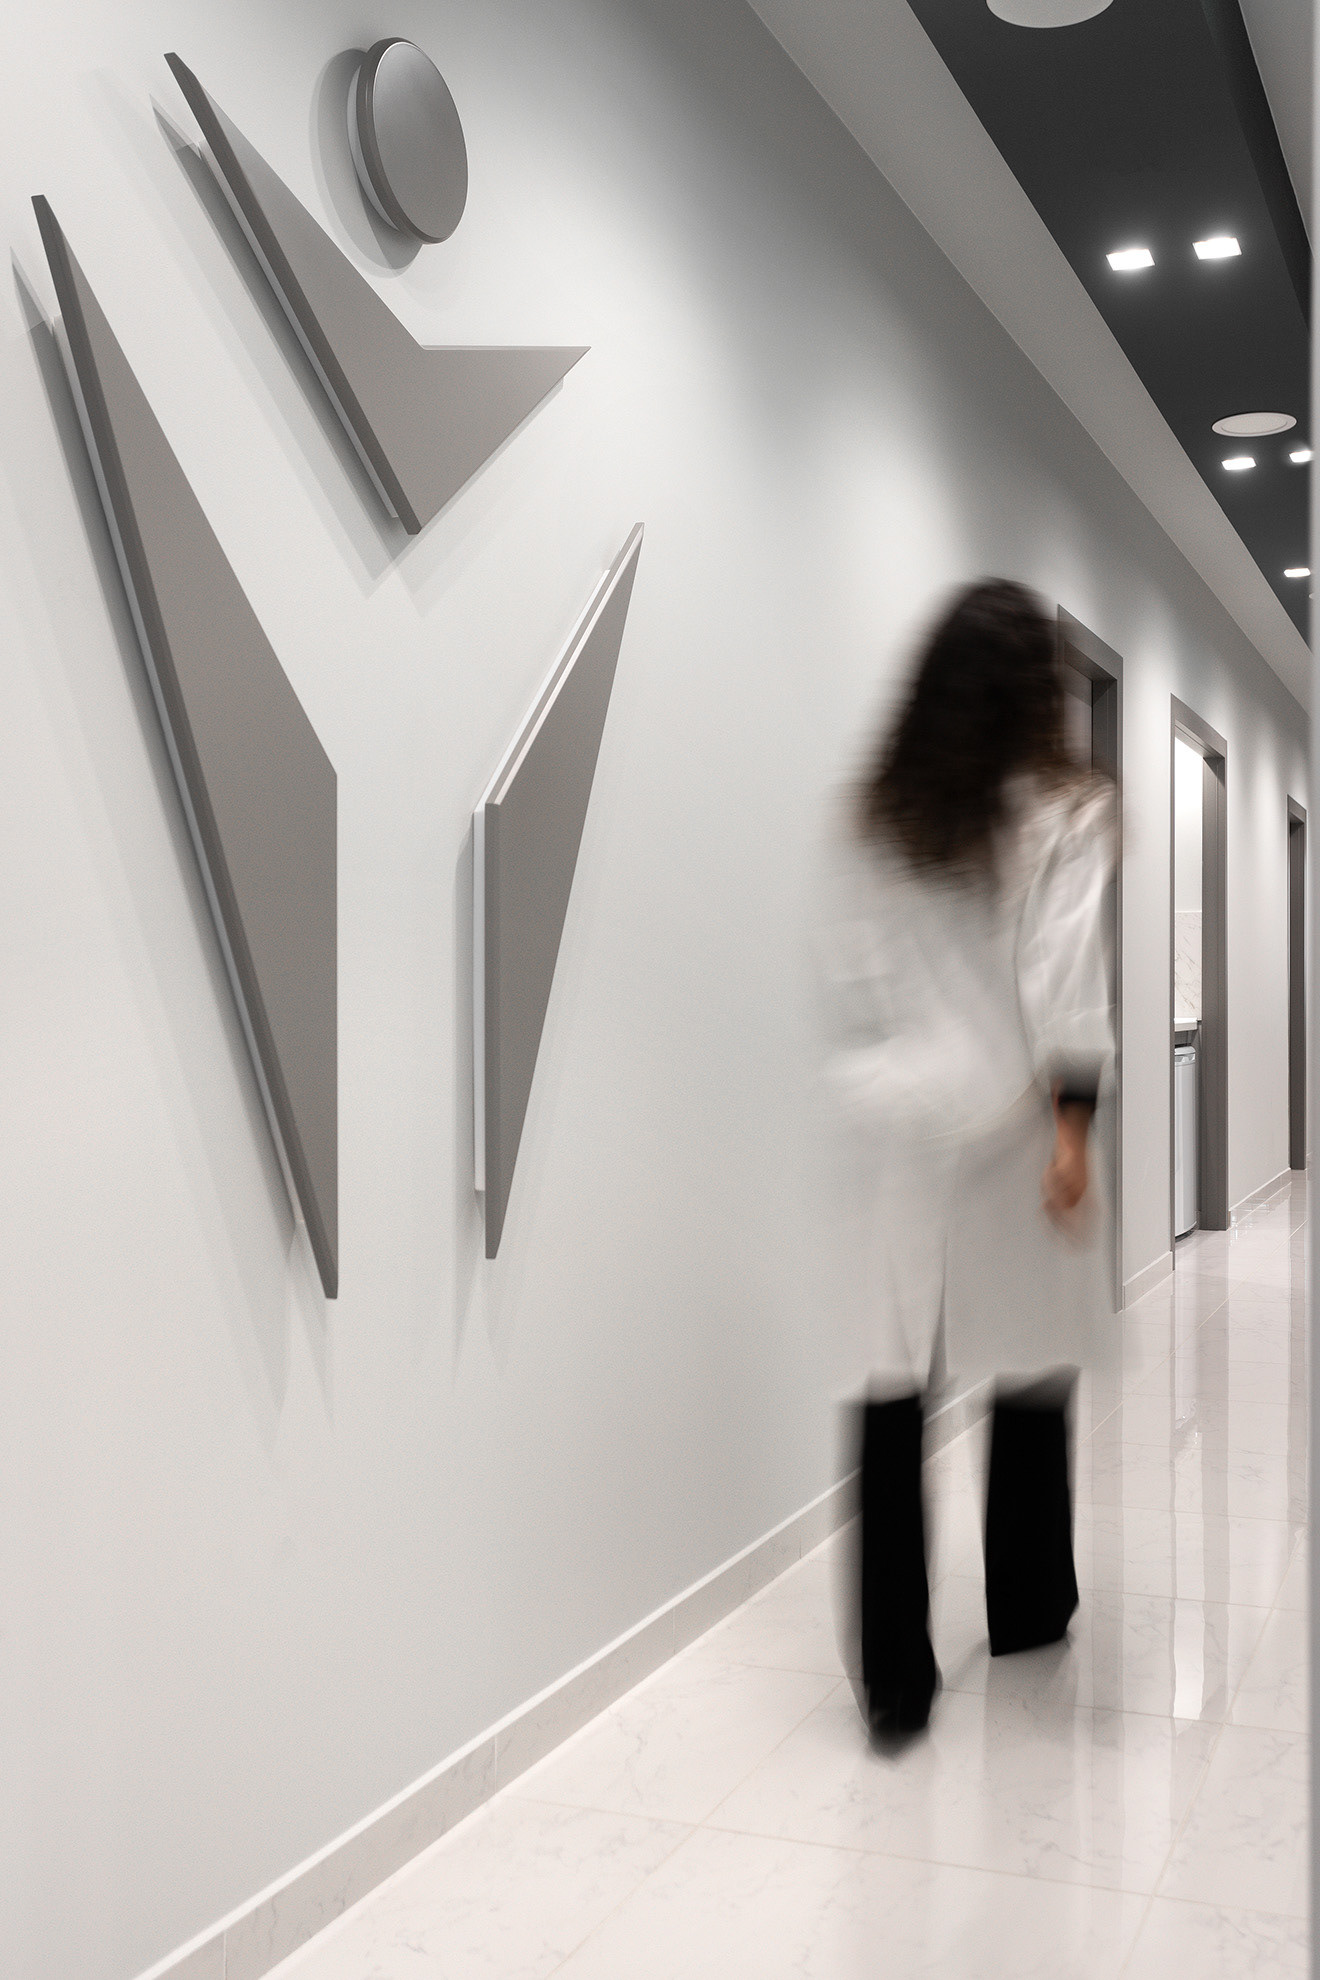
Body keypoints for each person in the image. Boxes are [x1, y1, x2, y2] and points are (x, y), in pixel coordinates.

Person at [820, 578, 1116, 1739]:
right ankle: (1027, 1606)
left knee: (893, 1391)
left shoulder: (874, 811)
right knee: (1030, 1369)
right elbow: (1066, 984)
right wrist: (1074, 1133)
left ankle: (894, 1682)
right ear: (1039, 692)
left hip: (891, 1123)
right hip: (1007, 1121)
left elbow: (853, 977)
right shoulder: (1066, 813)